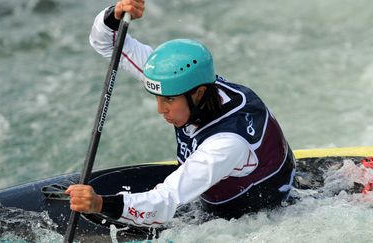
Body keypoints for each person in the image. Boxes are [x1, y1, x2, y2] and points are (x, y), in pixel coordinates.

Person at [65, 0, 295, 226]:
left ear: (198, 94)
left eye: (169, 100)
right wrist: (114, 15)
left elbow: (165, 202)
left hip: (260, 222)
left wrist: (100, 205)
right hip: (220, 198)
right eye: (157, 97)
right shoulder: (190, 84)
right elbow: (107, 43)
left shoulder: (226, 144)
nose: (159, 109)